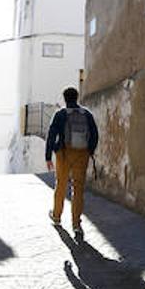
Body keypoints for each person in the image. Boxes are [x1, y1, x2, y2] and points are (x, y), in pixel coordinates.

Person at [46, 87, 99, 238]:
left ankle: (56, 216)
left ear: (64, 98)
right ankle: (76, 223)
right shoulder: (86, 114)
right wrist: (89, 151)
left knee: (61, 185)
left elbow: (51, 134)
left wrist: (48, 156)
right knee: (78, 188)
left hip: (64, 152)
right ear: (77, 97)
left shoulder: (60, 114)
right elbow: (95, 134)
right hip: (82, 154)